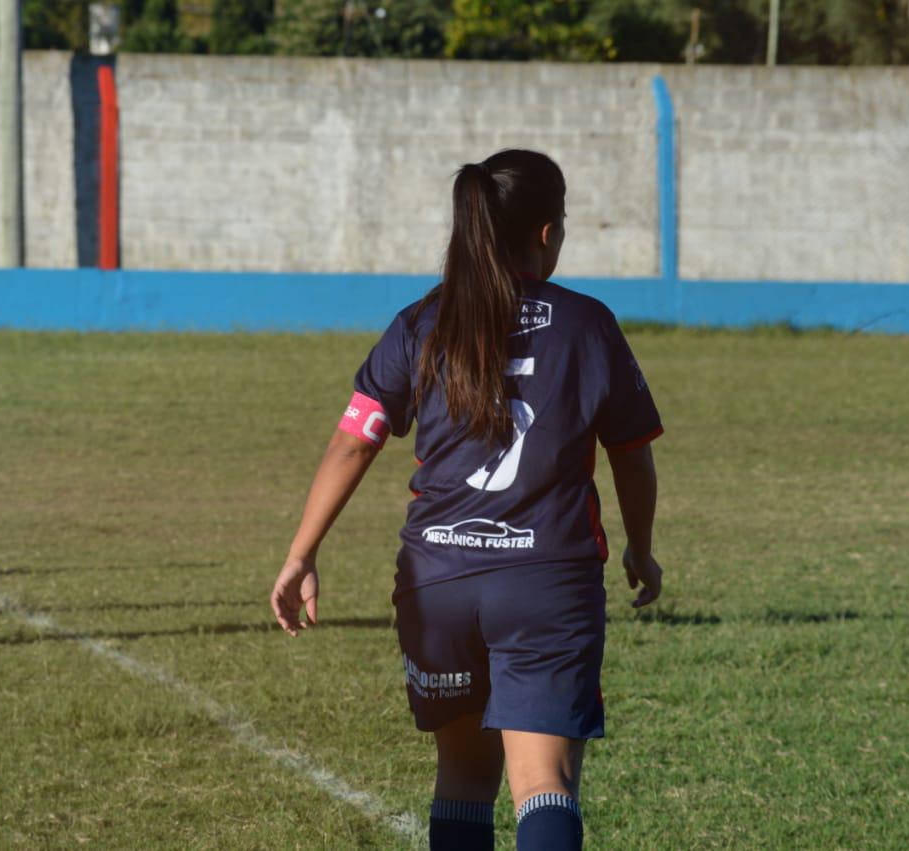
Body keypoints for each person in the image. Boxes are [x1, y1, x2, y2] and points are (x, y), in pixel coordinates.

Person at [270, 149, 664, 851]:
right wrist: (641, 545)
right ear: (547, 232)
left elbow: (354, 441)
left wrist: (302, 552)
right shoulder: (587, 323)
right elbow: (631, 453)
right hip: (546, 579)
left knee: (462, 776)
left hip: (438, 582)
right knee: (543, 780)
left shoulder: (422, 320)